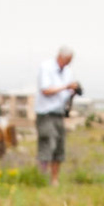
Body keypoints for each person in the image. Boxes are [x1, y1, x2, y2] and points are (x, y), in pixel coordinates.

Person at [35, 47, 79, 181]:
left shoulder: (67, 72)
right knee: (47, 144)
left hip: (59, 114)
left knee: (59, 148)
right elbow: (45, 90)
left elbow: (66, 93)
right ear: (61, 57)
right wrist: (66, 87)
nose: (68, 64)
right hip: (46, 114)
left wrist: (73, 91)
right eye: (67, 60)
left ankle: (54, 180)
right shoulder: (46, 68)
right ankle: (41, 177)